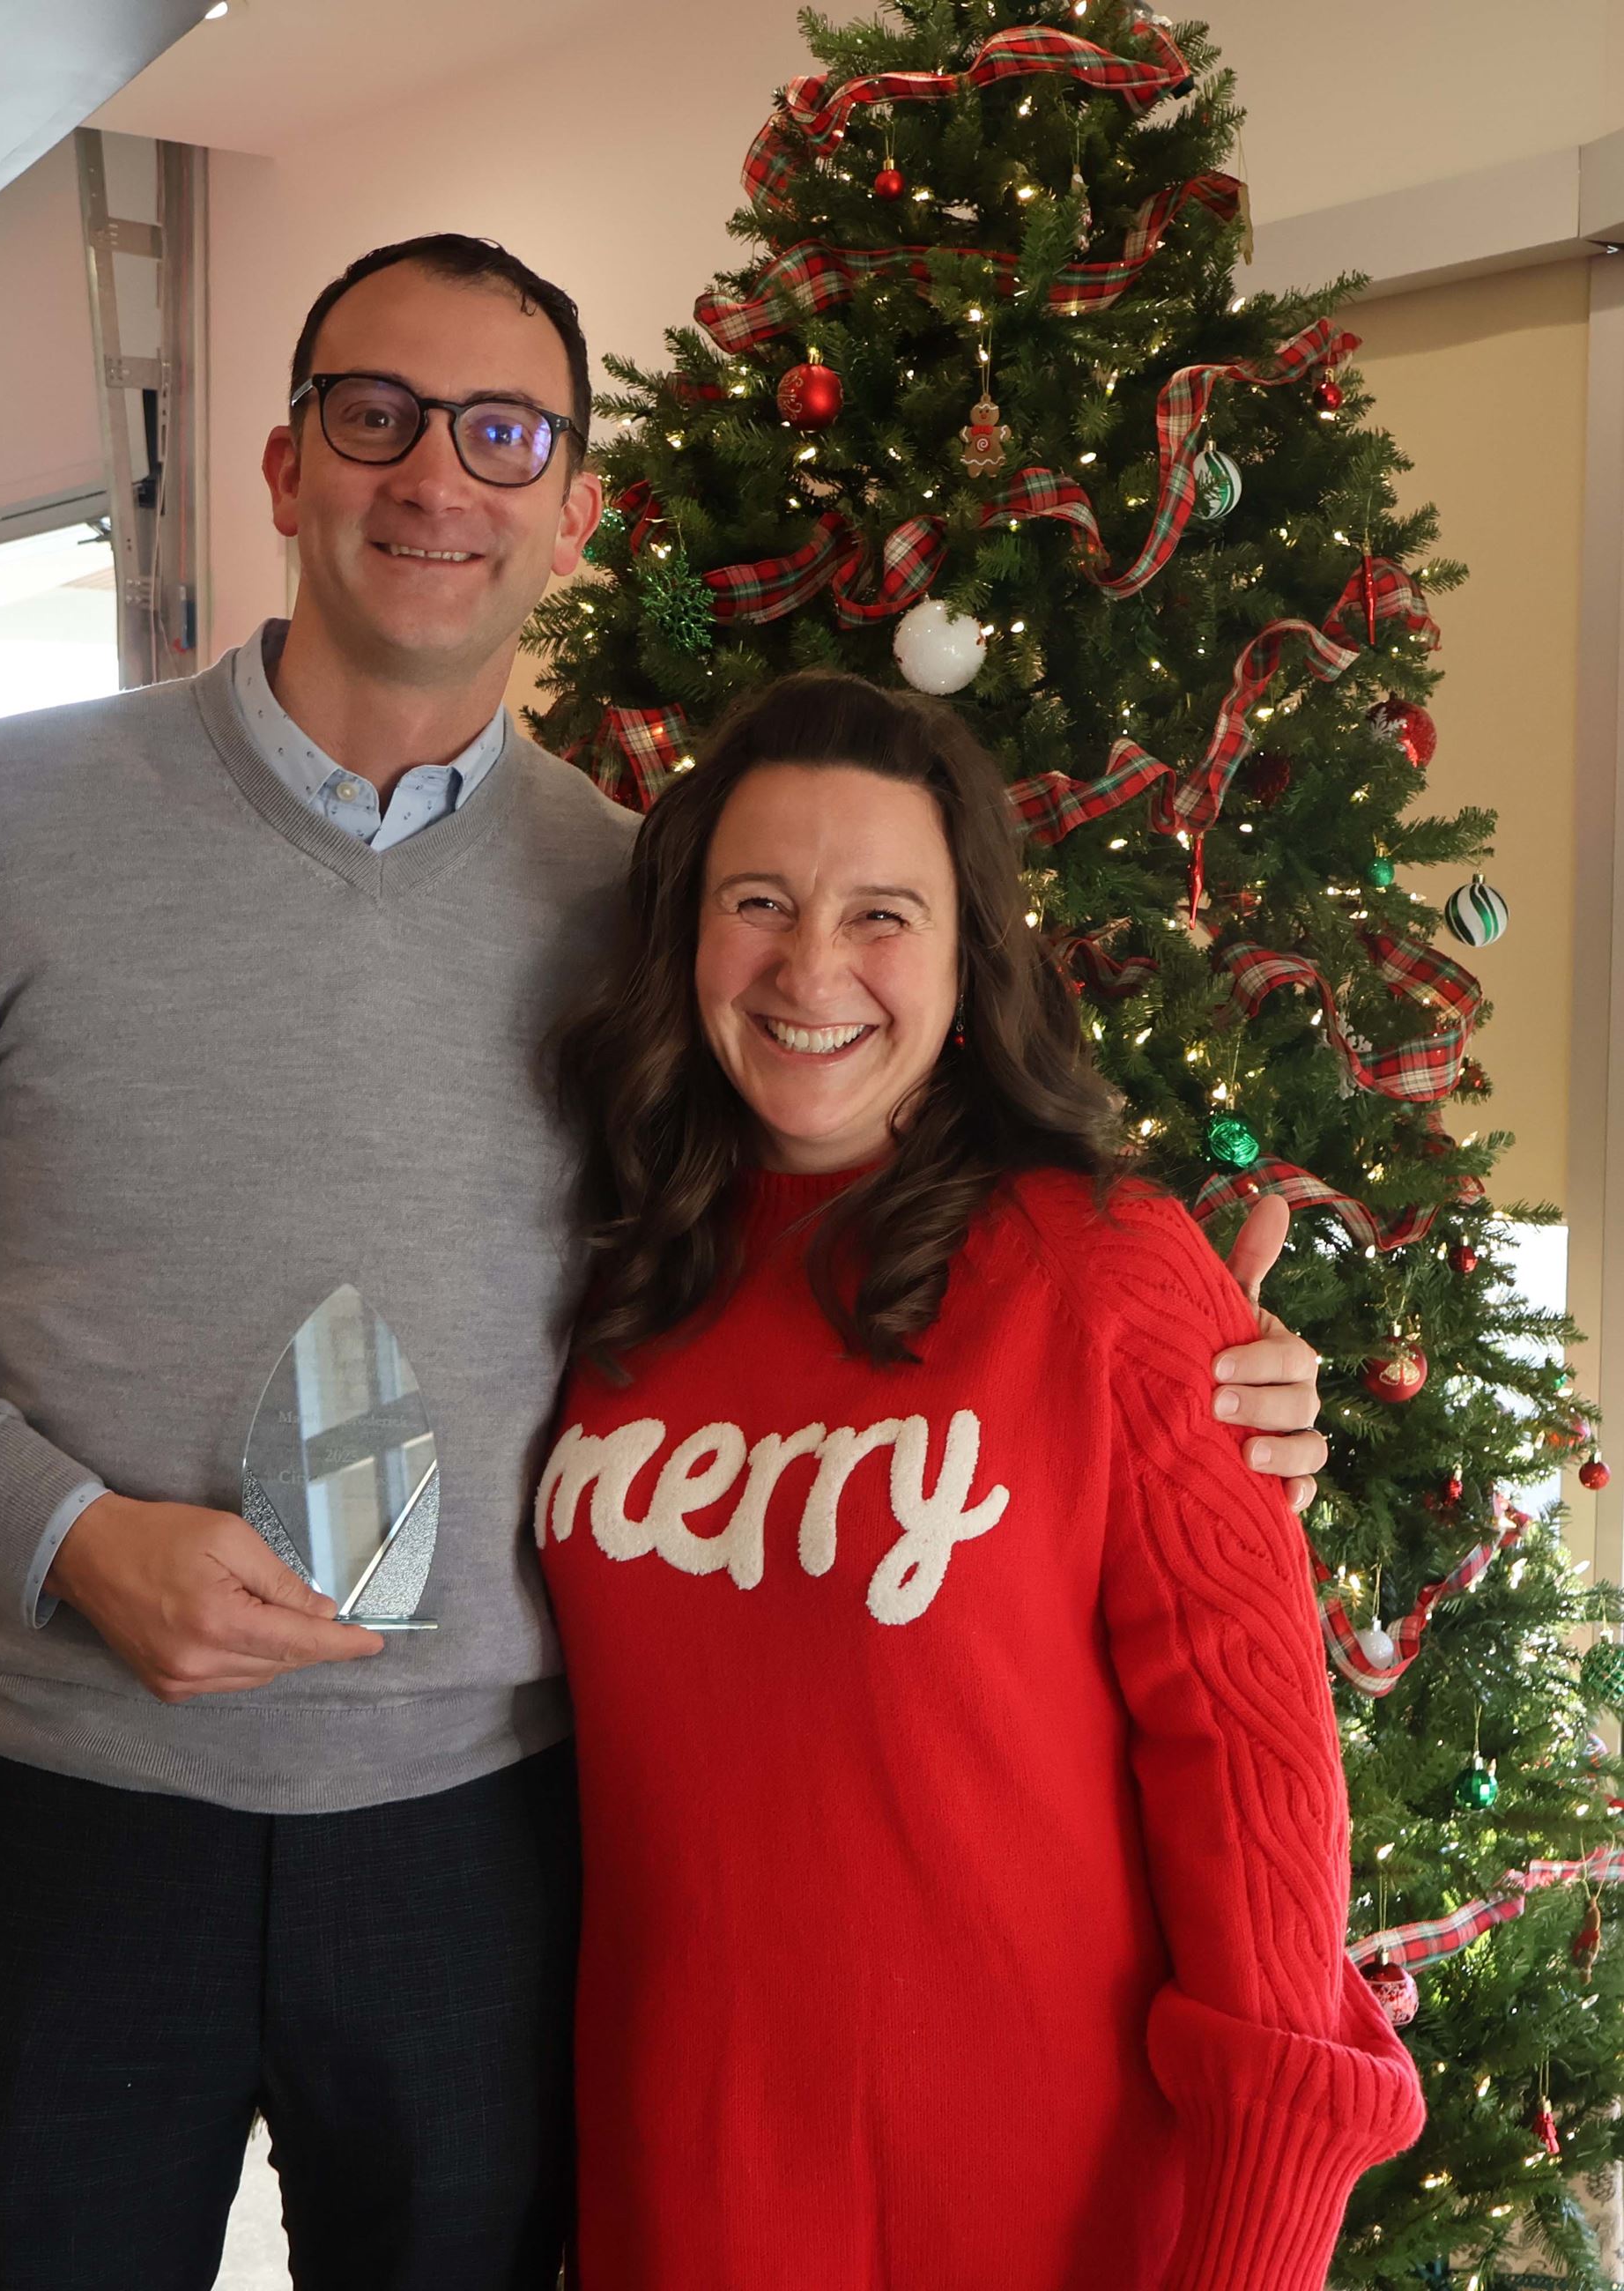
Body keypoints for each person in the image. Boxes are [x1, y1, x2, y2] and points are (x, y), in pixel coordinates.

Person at [0, 236, 1327, 2291]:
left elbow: (847, 1202)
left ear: (571, 505)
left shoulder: (647, 895)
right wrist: (66, 1529)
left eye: (501, 431)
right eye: (375, 415)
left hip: (490, 1855)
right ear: (282, 465)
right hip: (75, 1816)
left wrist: (1189, 1372)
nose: (433, 475)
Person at [539, 671, 1422, 2291]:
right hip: (680, 2194)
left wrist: (1258, 2244)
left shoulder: (1101, 1271)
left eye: (884, 912)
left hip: (1037, 2213)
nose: (813, 968)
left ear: (965, 966)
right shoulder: (620, 1272)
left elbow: (1252, 1783)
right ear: (687, 941)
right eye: (759, 902)